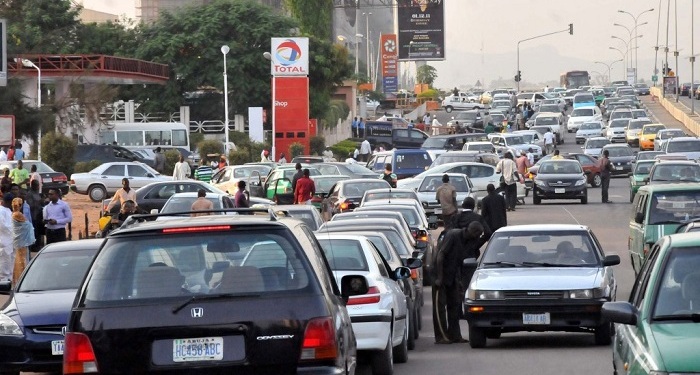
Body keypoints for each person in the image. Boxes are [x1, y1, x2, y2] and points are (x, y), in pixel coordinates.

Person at [433, 221, 484, 344]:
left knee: (455, 304)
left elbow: (463, 262)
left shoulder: (470, 242)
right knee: (440, 307)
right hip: (439, 272)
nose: (479, 237)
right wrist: (440, 278)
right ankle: (441, 336)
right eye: (479, 234)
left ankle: (455, 335)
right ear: (473, 232)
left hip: (453, 273)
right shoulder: (453, 235)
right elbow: (441, 255)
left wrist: (460, 281)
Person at [25, 180, 44, 252]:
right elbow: (30, 206)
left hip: (39, 216)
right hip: (33, 216)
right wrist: (39, 202)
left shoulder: (38, 193)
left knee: (39, 232)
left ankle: (39, 245)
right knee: (34, 232)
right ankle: (33, 246)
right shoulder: (29, 194)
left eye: (38, 185)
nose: (37, 187)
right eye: (36, 185)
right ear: (32, 185)